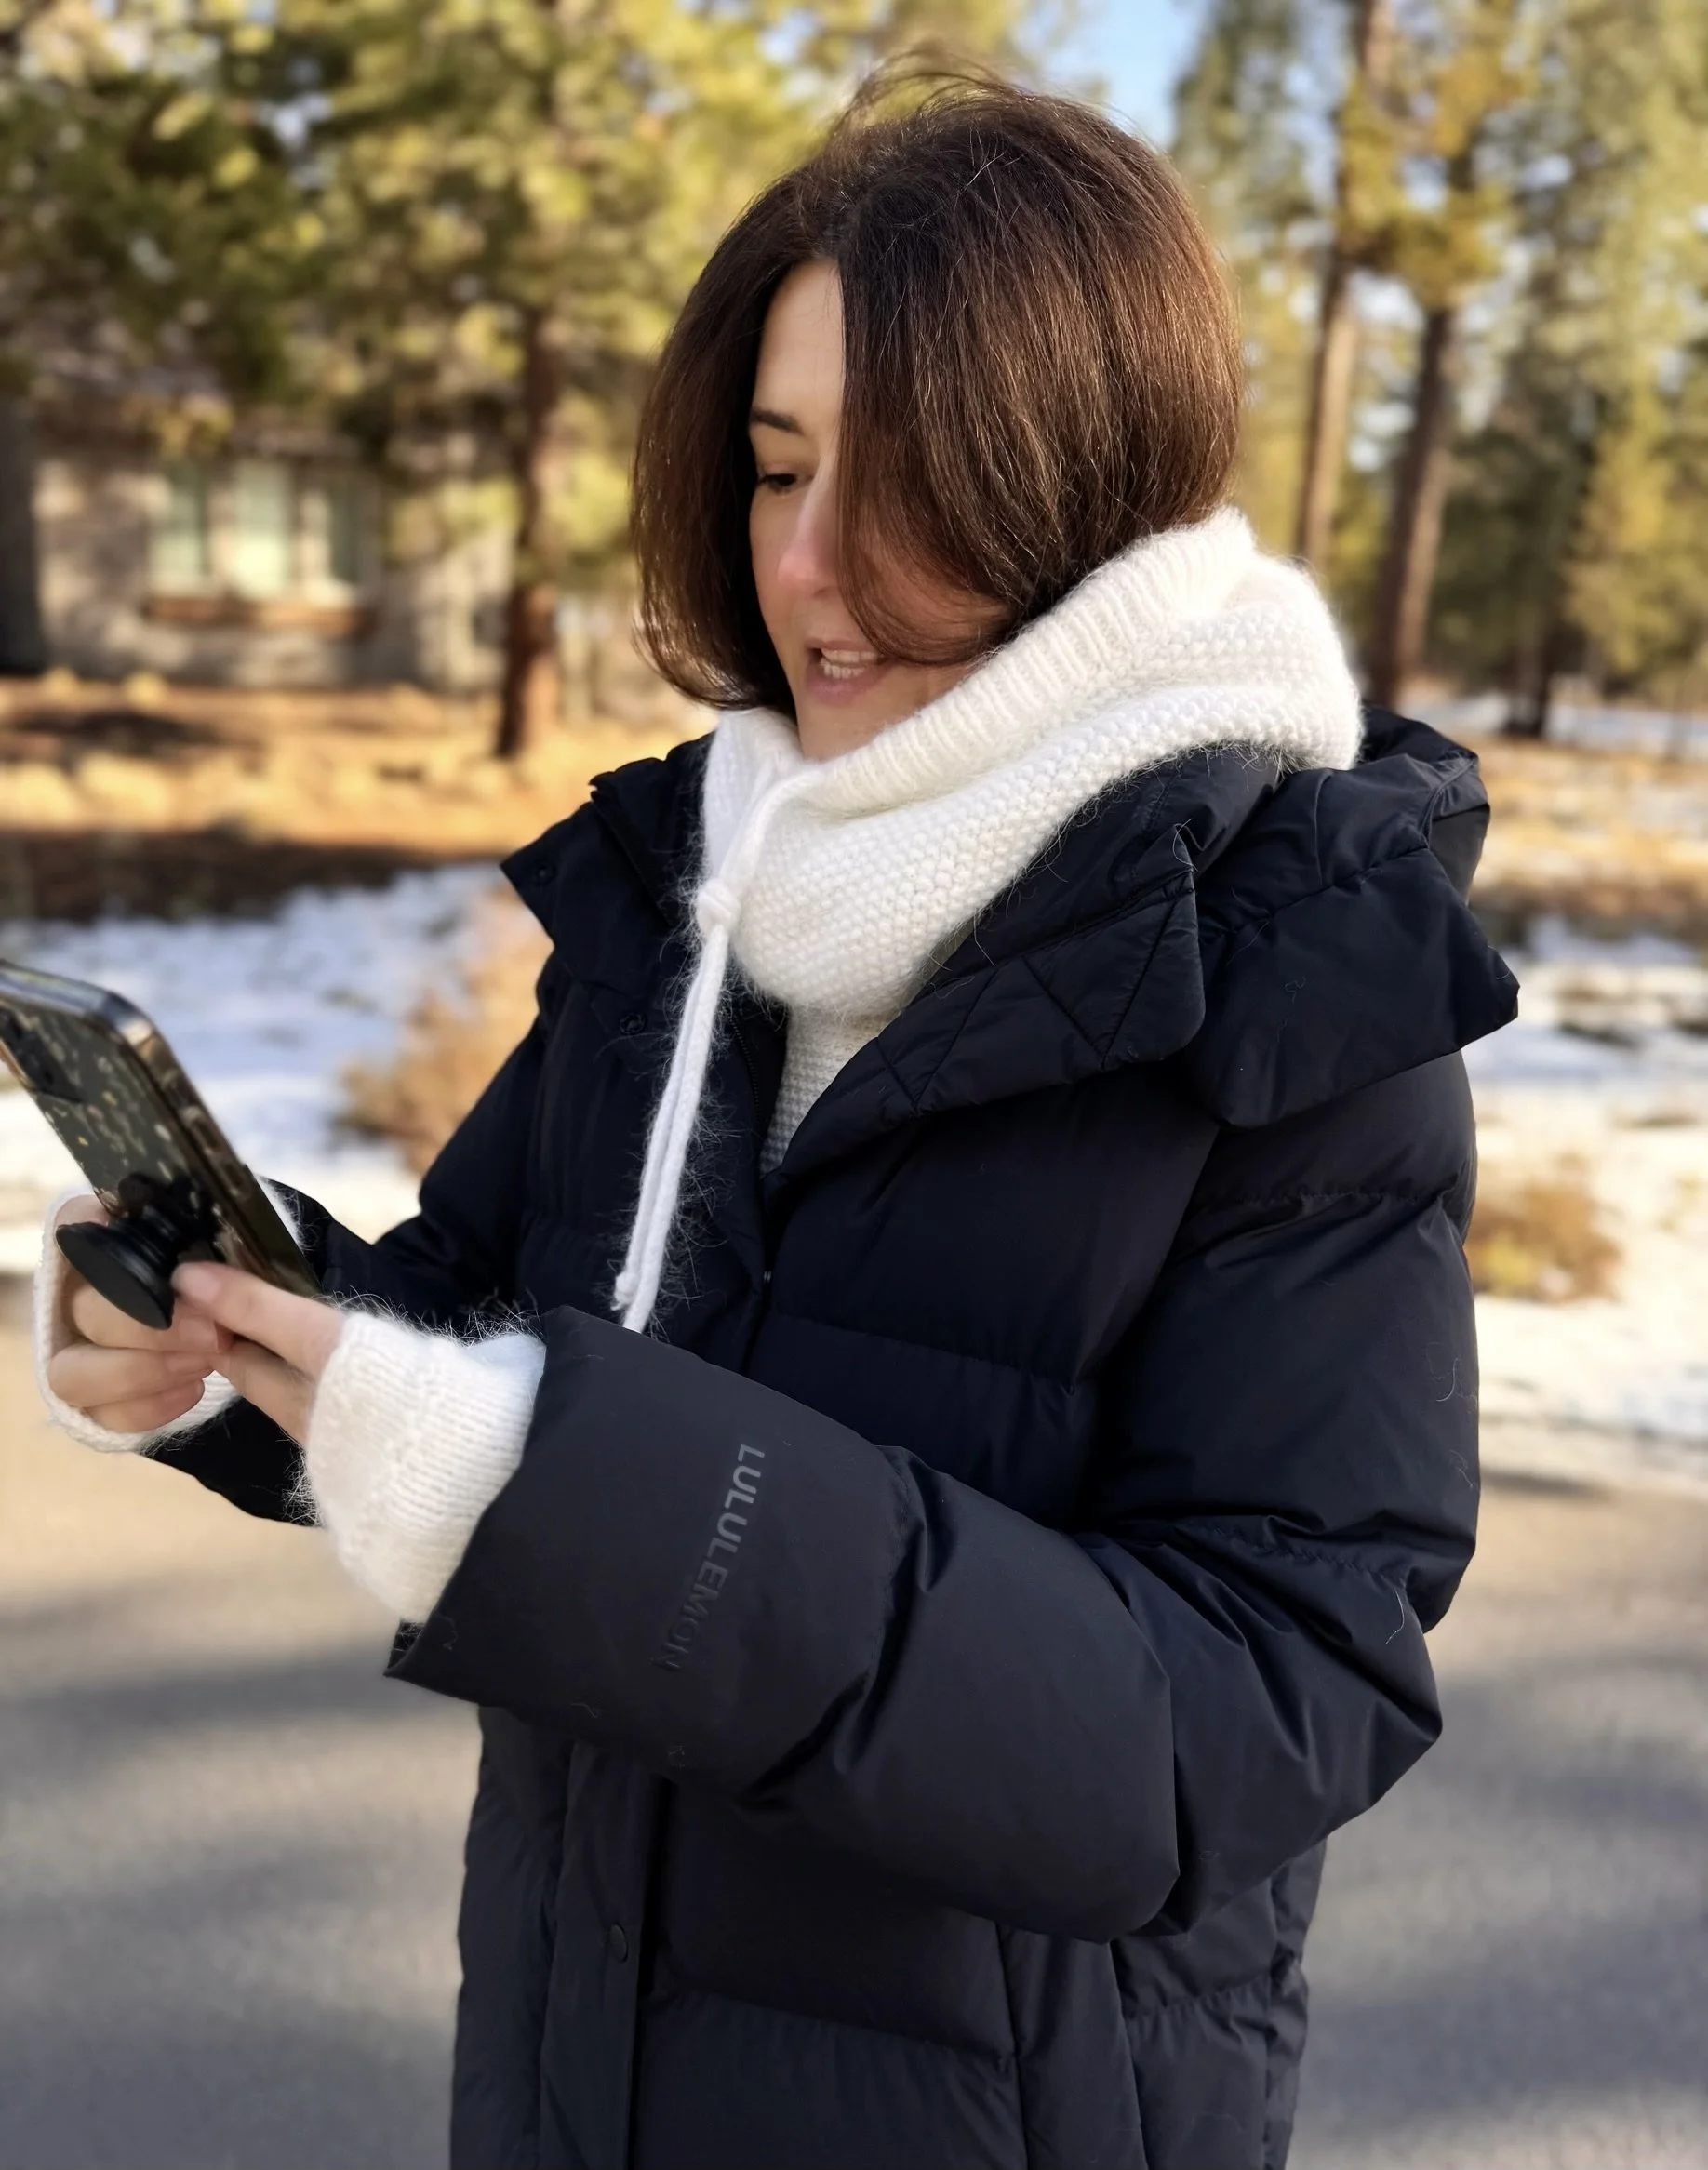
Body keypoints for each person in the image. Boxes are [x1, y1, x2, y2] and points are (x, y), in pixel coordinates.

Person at [36, 76, 1516, 2170]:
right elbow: (468, 1330)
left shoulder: (1294, 970)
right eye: (773, 466)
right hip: (571, 2067)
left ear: (1079, 483)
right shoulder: (696, 893)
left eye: (898, 481)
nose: (807, 566)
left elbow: (1252, 1706)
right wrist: (230, 1341)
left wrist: (572, 1494)